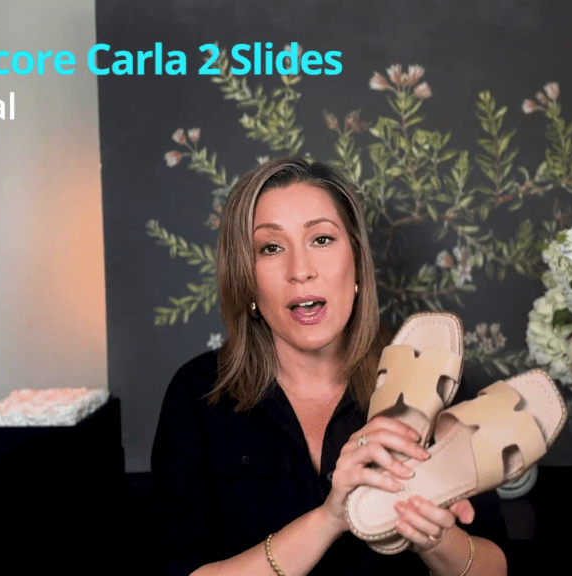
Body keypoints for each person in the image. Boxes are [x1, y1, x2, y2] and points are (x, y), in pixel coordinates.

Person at [151, 156, 508, 576]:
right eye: (270, 247)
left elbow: (495, 567)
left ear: (356, 263)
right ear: (247, 279)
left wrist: (432, 537)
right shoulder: (197, 394)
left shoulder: (426, 374)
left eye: (321, 239)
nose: (300, 271)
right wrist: (331, 518)